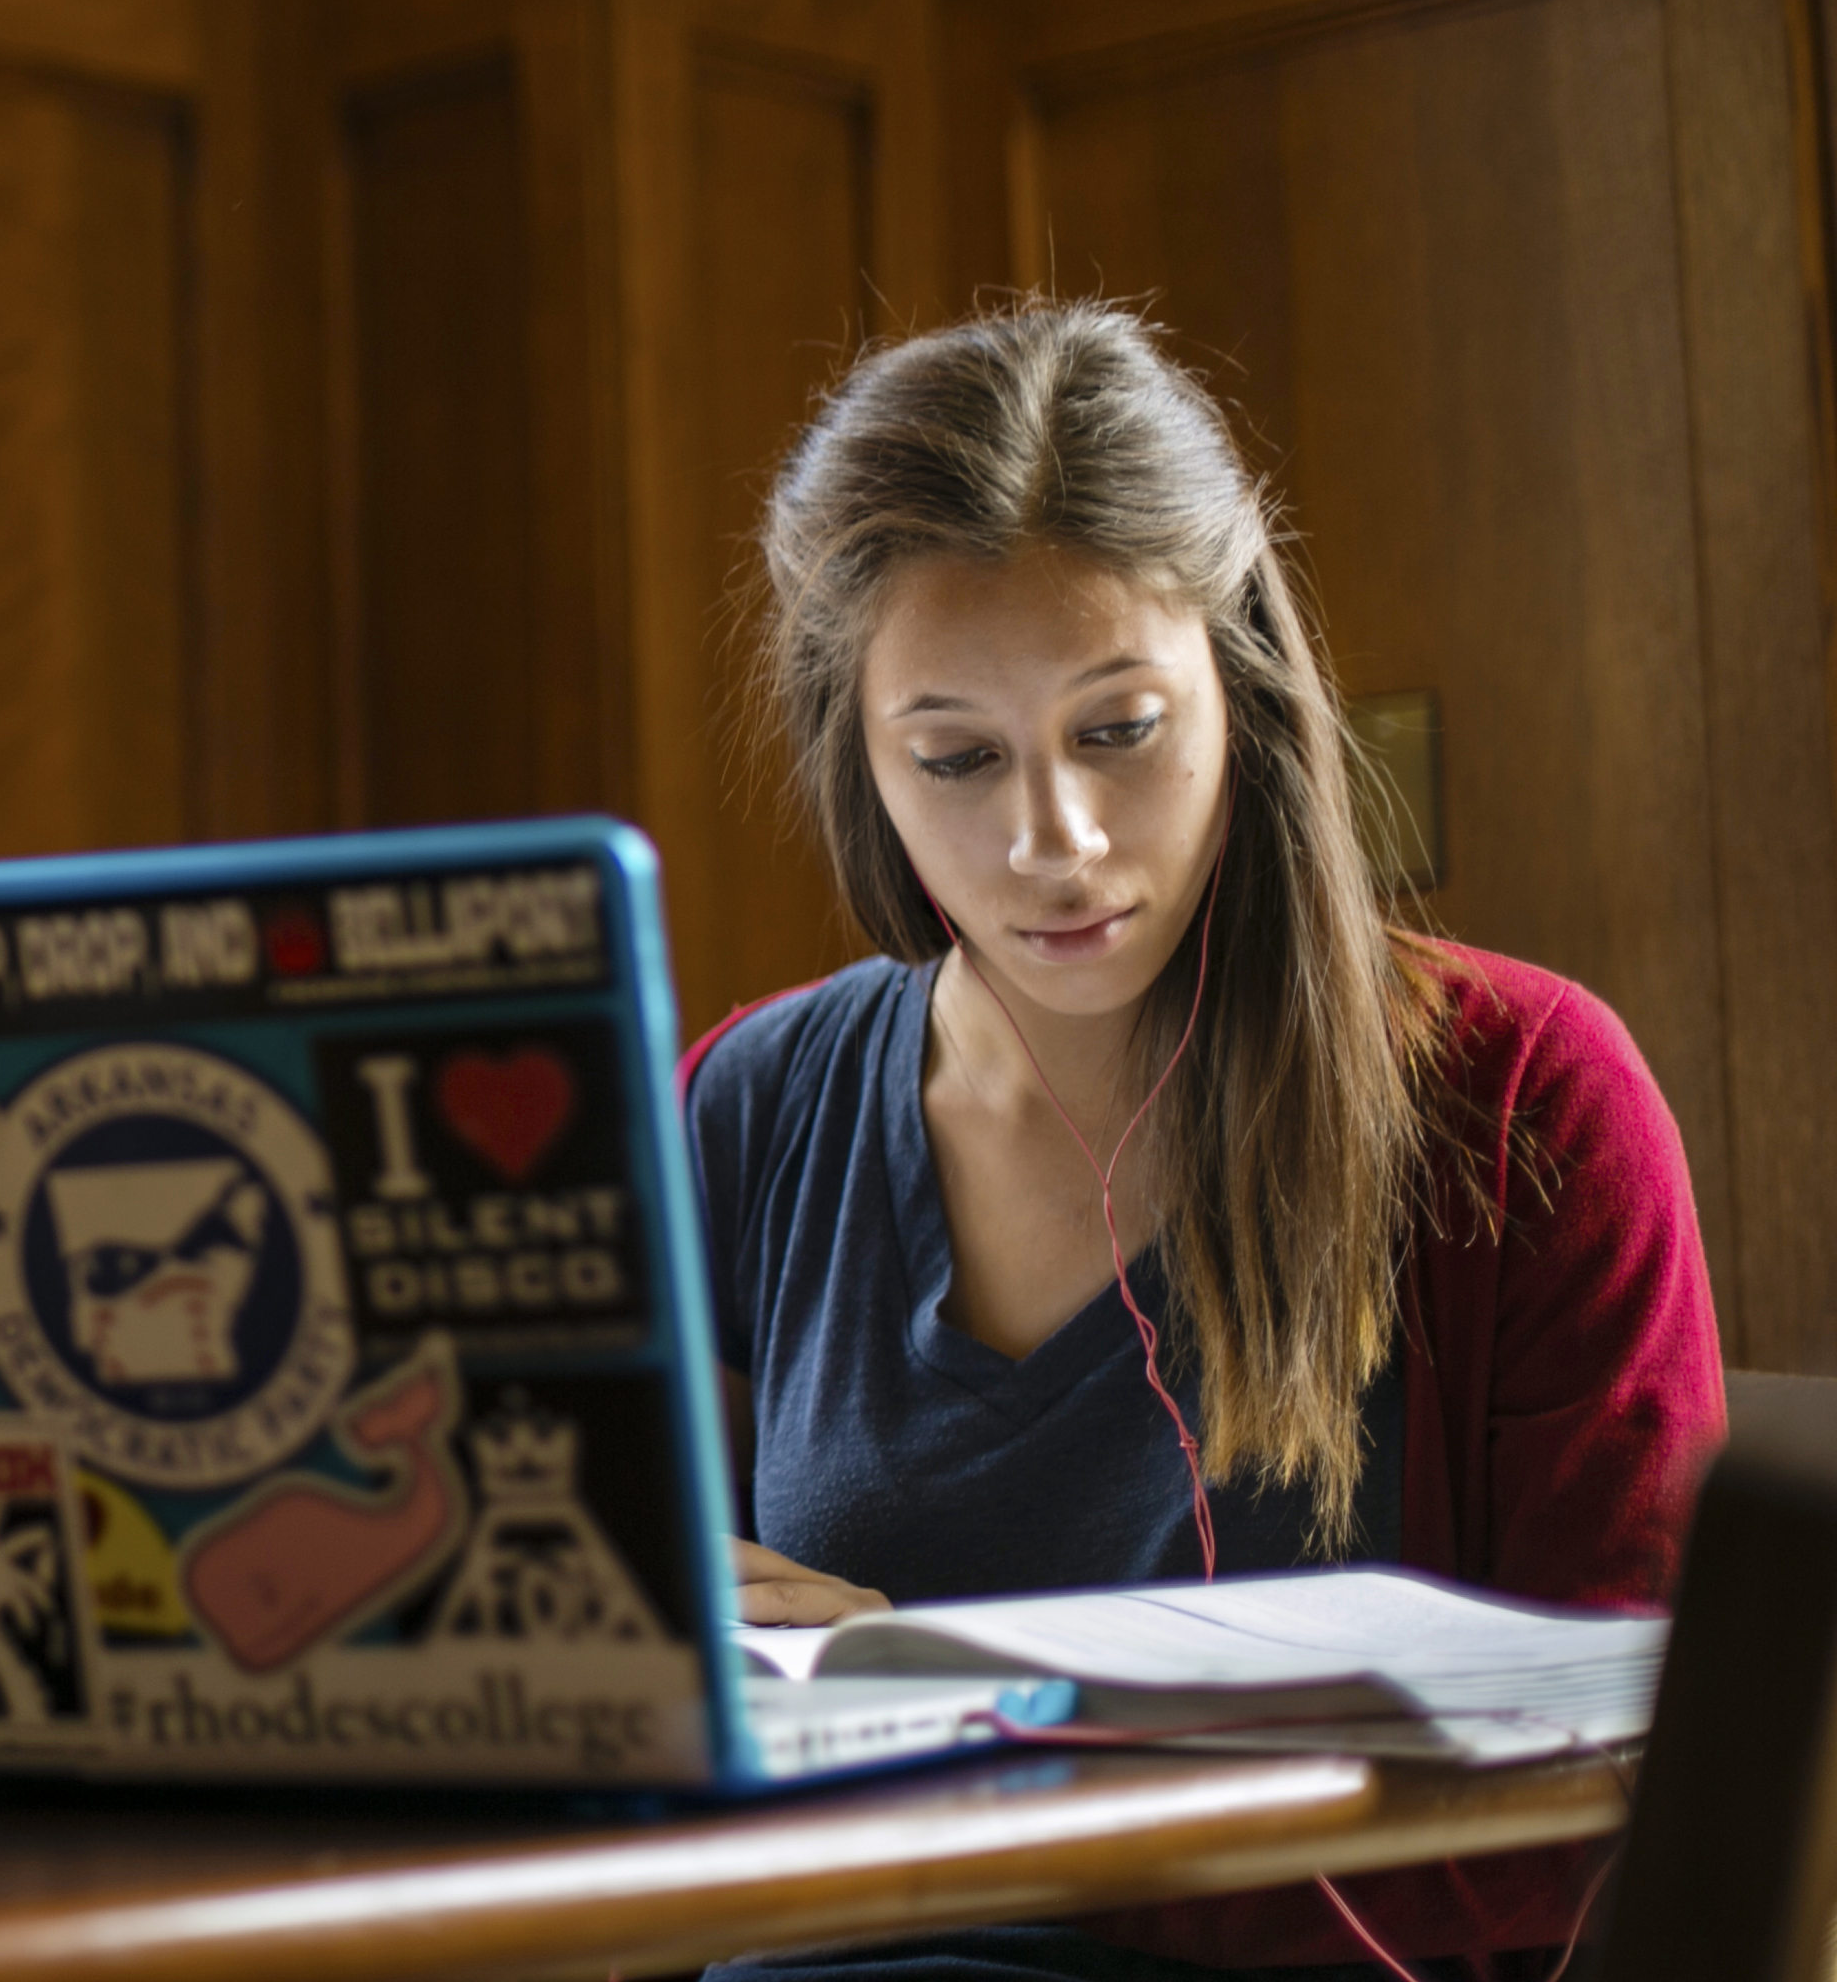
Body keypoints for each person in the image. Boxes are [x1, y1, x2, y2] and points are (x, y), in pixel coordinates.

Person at [690, 302, 1720, 1982]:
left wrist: (993, 1817)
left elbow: (1633, 1782)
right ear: (858, 758)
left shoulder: (1522, 1103)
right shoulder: (750, 1109)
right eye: (954, 757)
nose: (1055, 841)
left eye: (1120, 729)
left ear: (1236, 685)